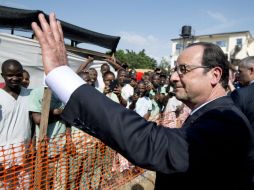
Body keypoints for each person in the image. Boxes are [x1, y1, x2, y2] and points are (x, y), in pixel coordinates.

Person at [32, 13, 254, 189]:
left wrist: (61, 75)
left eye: (183, 69)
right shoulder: (216, 113)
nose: (174, 76)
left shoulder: (226, 121)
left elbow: (151, 143)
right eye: (175, 69)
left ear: (215, 75)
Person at [0, 59, 32, 189]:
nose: (15, 78)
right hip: (2, 159)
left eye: (18, 74)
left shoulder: (31, 94)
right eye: (10, 75)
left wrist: (32, 147)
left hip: (24, 156)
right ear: (3, 76)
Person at [231, 56, 254, 128]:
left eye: (240, 71)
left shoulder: (240, 94)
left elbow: (233, 124)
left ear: (251, 71)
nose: (237, 75)